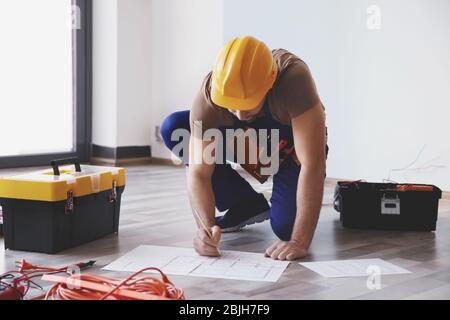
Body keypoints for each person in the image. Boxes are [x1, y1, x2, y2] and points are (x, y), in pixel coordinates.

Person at [161, 36, 328, 261]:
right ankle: (244, 203)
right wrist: (204, 228)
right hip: (248, 145)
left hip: (290, 152)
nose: (239, 115)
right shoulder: (209, 97)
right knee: (176, 127)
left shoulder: (293, 78)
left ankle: (286, 215)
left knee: (288, 229)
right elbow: (199, 173)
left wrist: (299, 241)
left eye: (248, 104)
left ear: (269, 83)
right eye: (232, 106)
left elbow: (313, 162)